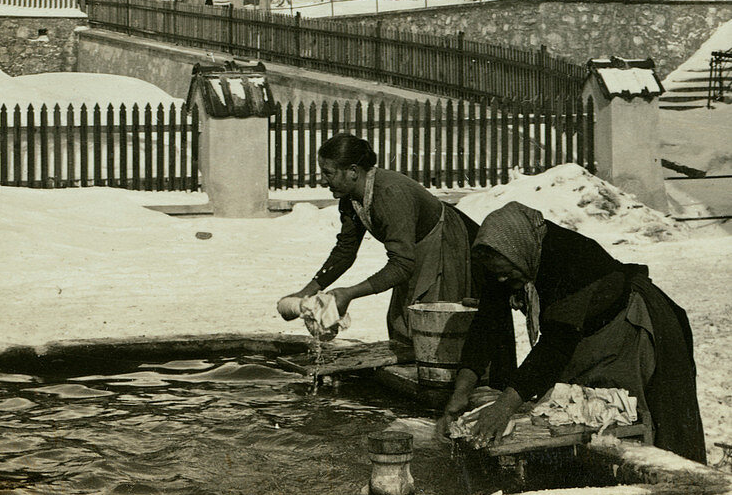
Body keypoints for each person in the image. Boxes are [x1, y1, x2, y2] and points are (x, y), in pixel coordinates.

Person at [437, 202, 705, 463]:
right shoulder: (505, 259)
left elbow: (555, 346)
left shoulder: (566, 259)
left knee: (631, 416)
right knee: (574, 413)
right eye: (498, 275)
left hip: (626, 326)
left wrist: (505, 406)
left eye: (507, 274)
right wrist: (460, 393)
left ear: (520, 253)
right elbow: (487, 324)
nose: (502, 282)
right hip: (581, 332)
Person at [276, 133, 481, 343]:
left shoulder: (390, 194)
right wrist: (306, 292)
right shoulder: (350, 198)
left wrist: (349, 293)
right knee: (403, 324)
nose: (323, 180)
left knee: (431, 326)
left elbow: (401, 265)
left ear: (353, 171)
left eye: (328, 173)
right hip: (416, 251)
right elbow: (345, 251)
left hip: (448, 245)